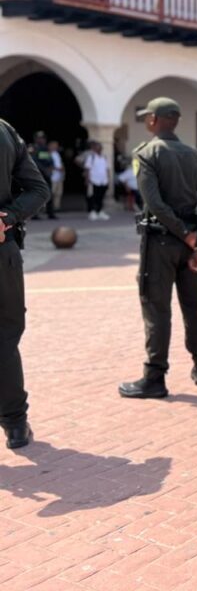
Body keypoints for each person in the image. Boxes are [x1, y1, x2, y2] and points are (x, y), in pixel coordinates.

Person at [118, 98, 197, 399]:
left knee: (157, 309)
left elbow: (154, 203)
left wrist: (186, 235)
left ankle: (155, 376)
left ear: (153, 120)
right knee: (194, 307)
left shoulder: (146, 154)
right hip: (190, 246)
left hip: (161, 243)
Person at [0, 118, 50, 449]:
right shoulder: (5, 130)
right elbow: (38, 190)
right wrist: (7, 217)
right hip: (3, 249)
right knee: (4, 339)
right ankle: (16, 424)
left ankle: (16, 420)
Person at [30, 132, 57, 219]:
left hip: (46, 175)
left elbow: (49, 160)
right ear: (35, 139)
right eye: (39, 138)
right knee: (36, 194)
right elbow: (33, 161)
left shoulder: (45, 149)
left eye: (43, 138)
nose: (41, 140)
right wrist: (44, 169)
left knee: (49, 193)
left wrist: (49, 169)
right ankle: (35, 214)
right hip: (36, 175)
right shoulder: (33, 148)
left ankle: (50, 213)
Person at [82, 140, 111, 220]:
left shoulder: (104, 157)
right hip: (94, 180)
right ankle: (92, 212)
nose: (99, 148)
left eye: (100, 147)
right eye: (97, 147)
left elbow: (107, 169)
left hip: (103, 181)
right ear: (94, 148)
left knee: (101, 197)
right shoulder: (91, 157)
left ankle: (100, 211)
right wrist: (87, 179)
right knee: (92, 197)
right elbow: (87, 169)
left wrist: (108, 179)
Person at [48, 140, 65, 213]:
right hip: (52, 177)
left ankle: (56, 207)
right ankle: (48, 208)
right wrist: (57, 168)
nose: (56, 147)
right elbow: (46, 165)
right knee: (52, 193)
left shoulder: (57, 154)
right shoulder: (47, 154)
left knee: (59, 193)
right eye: (54, 145)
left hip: (59, 177)